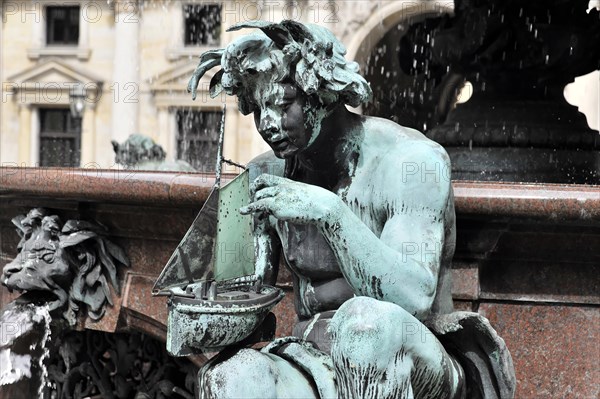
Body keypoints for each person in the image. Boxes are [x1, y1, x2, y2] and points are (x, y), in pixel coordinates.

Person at [188, 20, 514, 399]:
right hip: (312, 358)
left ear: (322, 93)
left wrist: (331, 213)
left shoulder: (410, 163)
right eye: (258, 109)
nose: (268, 124)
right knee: (232, 376)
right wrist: (208, 309)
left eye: (282, 103)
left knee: (366, 327)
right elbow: (248, 301)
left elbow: (413, 298)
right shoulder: (267, 171)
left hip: (414, 354)